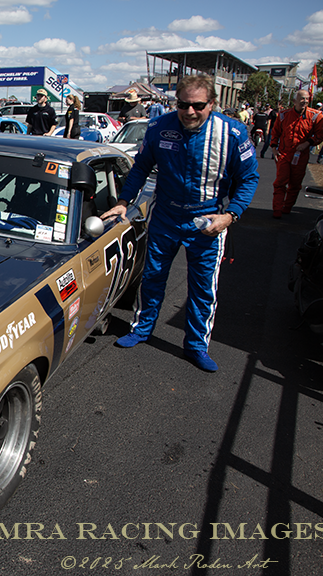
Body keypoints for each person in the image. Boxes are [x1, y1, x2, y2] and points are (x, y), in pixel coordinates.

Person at [101, 74, 259, 373]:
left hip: (208, 220)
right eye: (183, 105)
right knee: (152, 276)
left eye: (198, 105)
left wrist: (230, 215)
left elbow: (249, 177)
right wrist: (123, 201)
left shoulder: (233, 132)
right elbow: (140, 168)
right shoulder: (159, 127)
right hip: (166, 216)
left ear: (212, 103)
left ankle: (197, 346)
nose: (189, 111)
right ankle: (141, 329)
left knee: (203, 288)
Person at [269, 89, 323, 217]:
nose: (304, 101)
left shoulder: (316, 116)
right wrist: (274, 148)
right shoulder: (283, 115)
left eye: (307, 99)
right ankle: (277, 209)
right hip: (284, 154)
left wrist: (307, 143)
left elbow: (320, 134)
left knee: (295, 184)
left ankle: (287, 207)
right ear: (294, 101)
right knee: (280, 182)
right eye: (302, 99)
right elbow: (275, 132)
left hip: (301, 155)